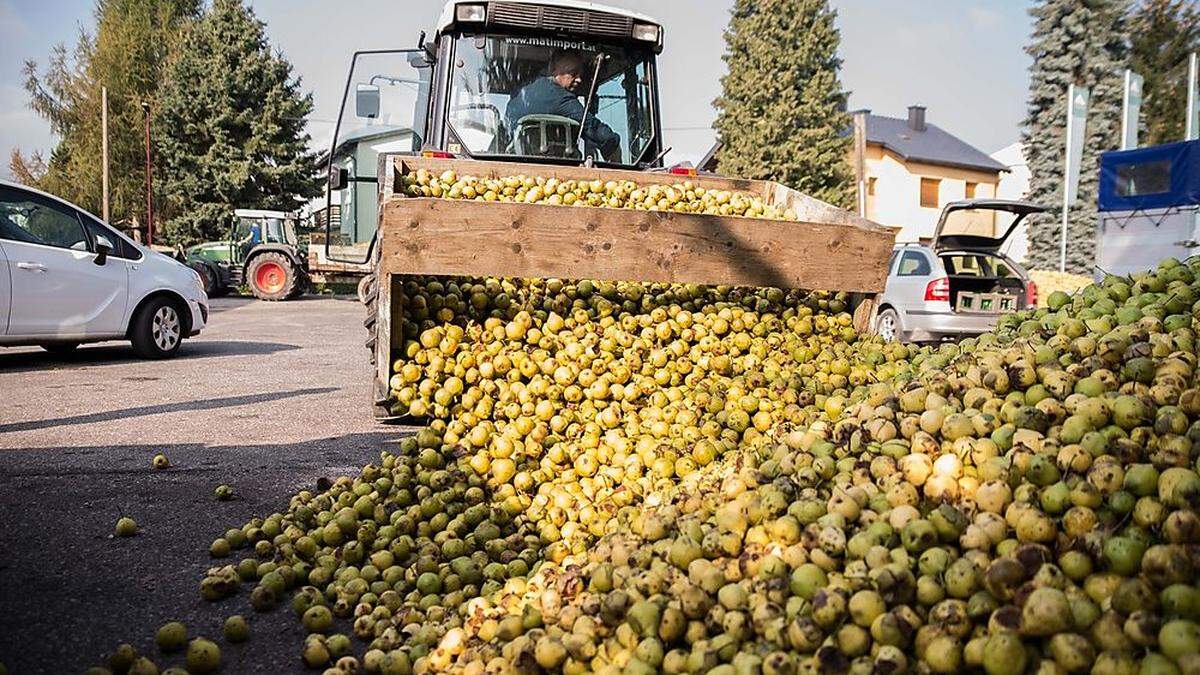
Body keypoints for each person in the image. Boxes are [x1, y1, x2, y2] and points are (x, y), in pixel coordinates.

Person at [505, 51, 622, 162]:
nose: (579, 79)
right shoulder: (562, 99)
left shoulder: (520, 92)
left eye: (580, 74)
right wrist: (613, 144)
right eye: (573, 73)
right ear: (553, 70)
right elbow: (597, 131)